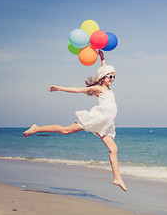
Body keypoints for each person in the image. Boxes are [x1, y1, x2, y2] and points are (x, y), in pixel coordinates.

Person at [23, 50, 127, 192]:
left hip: (105, 124)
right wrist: (59, 88)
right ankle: (36, 128)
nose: (113, 78)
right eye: (110, 76)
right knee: (66, 130)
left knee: (113, 149)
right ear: (103, 78)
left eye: (114, 76)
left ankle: (117, 178)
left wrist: (102, 57)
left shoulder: (108, 87)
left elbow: (105, 68)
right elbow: (78, 90)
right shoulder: (98, 88)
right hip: (95, 119)